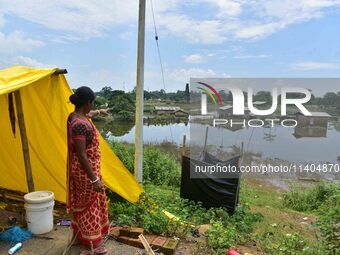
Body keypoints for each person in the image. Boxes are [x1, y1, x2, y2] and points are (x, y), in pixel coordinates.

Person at [66, 86, 110, 255]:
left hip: (85, 170)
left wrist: (100, 111)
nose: (93, 107)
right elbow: (82, 155)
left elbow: (89, 115)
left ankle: (78, 237)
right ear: (88, 102)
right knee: (89, 206)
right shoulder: (80, 125)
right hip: (86, 172)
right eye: (93, 104)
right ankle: (91, 245)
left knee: (82, 203)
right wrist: (94, 179)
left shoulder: (76, 116)